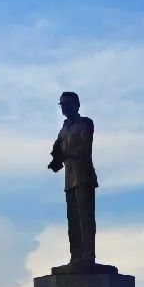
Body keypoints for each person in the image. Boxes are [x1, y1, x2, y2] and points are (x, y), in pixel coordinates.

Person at [47, 92, 99, 264]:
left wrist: (63, 156)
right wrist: (55, 159)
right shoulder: (63, 130)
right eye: (61, 104)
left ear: (77, 104)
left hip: (83, 176)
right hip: (69, 180)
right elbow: (57, 150)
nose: (64, 107)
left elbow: (84, 148)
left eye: (67, 103)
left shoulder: (85, 123)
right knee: (73, 220)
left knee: (85, 218)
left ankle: (88, 255)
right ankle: (75, 255)